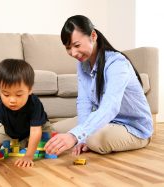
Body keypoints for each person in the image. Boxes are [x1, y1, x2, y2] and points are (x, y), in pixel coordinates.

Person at [45, 15, 153, 156]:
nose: (73, 53)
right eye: (68, 48)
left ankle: (91, 135)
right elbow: (84, 102)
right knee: (55, 129)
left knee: (93, 140)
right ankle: (87, 134)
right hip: (106, 121)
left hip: (133, 128)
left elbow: (110, 106)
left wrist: (75, 136)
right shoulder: (82, 64)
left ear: (93, 36)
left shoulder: (117, 64)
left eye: (77, 45)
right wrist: (80, 137)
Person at [0, 59, 50, 172]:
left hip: (35, 128)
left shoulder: (35, 104)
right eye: (6, 94)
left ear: (30, 89)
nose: (12, 100)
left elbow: (36, 131)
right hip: (9, 129)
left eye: (19, 94)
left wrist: (28, 156)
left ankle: (25, 144)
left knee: (46, 143)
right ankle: (21, 143)